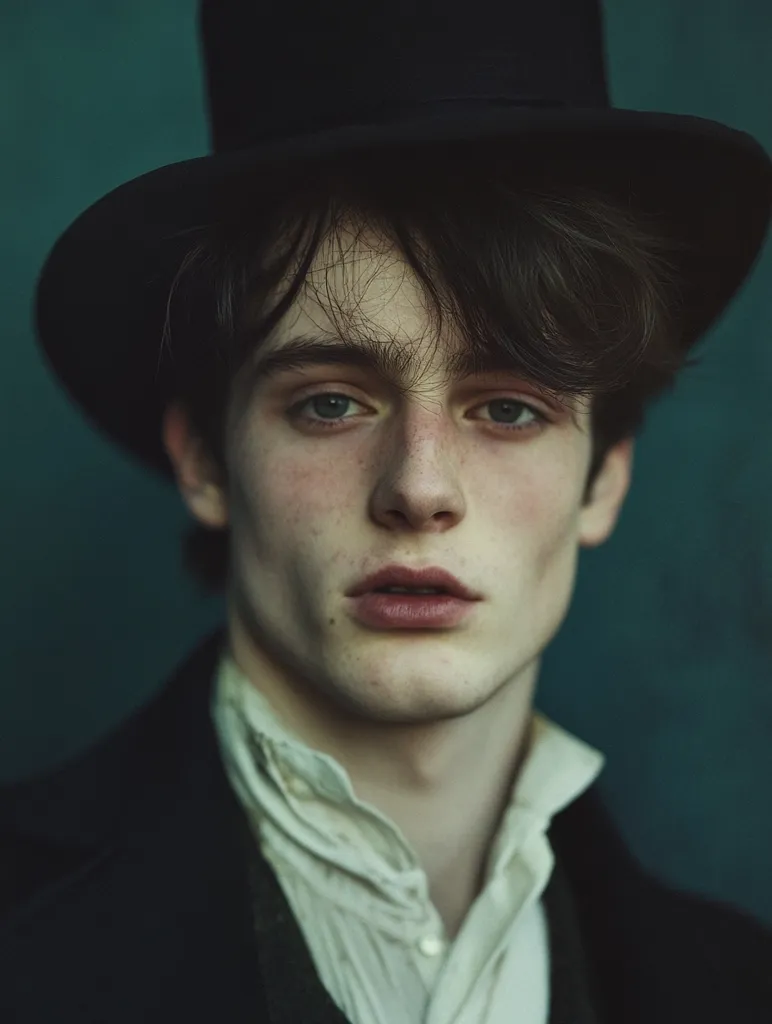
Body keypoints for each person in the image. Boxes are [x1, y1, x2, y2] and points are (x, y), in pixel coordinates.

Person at [2, 0, 771, 1022]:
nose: (418, 486)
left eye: (506, 407)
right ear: (204, 460)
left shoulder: (733, 983)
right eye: (330, 402)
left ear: (605, 477)